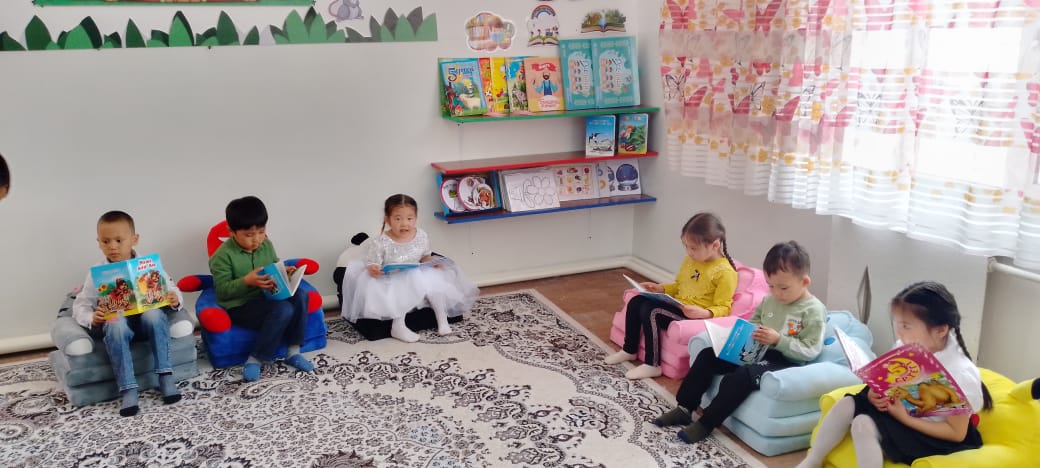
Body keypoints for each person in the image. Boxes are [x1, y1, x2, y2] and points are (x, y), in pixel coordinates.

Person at [797, 281, 993, 468]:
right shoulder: (906, 346)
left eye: (906, 326)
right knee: (846, 404)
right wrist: (875, 394)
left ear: (940, 330)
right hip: (902, 409)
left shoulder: (959, 373)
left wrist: (906, 418)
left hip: (934, 435)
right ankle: (813, 460)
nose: (899, 333)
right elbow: (891, 381)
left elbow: (957, 433)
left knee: (862, 424)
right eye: (897, 324)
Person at [654, 241, 827, 443]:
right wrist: (743, 336)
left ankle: (706, 423)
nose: (776, 293)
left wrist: (779, 340)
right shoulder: (770, 300)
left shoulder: (813, 311)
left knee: (741, 376)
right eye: (771, 286)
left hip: (785, 360)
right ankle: (684, 408)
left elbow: (811, 350)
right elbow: (754, 321)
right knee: (708, 356)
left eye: (783, 287)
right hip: (758, 349)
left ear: (804, 282)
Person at [71, 211, 184, 416]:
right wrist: (91, 317)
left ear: (134, 239)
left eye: (119, 240)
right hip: (119, 326)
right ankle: (128, 388)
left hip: (147, 324)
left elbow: (172, 288)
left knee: (153, 314)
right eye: (105, 241)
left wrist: (174, 299)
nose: (112, 246)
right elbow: (81, 304)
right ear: (98, 243)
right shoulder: (96, 272)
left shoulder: (148, 265)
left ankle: (165, 376)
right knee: (115, 323)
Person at [604, 212, 739, 380]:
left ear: (715, 245)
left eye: (693, 248)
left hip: (693, 317)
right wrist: (660, 288)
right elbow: (679, 286)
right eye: (686, 246)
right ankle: (629, 350)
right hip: (677, 306)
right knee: (637, 300)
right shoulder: (691, 261)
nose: (689, 252)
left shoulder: (725, 273)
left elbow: (724, 307)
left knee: (652, 310)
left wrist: (704, 312)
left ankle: (652, 364)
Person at [340, 194, 478, 343]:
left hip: (416, 272)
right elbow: (374, 264)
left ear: (415, 219)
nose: (404, 223)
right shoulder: (381, 242)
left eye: (409, 218)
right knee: (407, 281)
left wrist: (432, 262)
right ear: (387, 220)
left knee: (433, 279)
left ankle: (442, 318)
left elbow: (425, 256)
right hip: (393, 277)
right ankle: (398, 326)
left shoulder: (421, 236)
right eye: (398, 219)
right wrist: (374, 269)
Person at [209, 196, 314, 382]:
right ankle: (256, 358)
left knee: (301, 295)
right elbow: (223, 291)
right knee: (284, 309)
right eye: (249, 235)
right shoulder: (221, 256)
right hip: (240, 306)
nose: (257, 239)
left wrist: (285, 272)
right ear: (231, 231)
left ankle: (293, 351)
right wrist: (246, 281)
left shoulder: (266, 244)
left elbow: (273, 265)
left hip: (267, 296)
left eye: (261, 232)